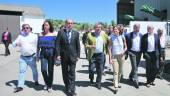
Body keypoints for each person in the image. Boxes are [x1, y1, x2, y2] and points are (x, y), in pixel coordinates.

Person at [56, 19, 80, 96]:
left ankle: (72, 89)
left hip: (73, 56)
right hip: (63, 56)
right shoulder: (60, 32)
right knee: (65, 72)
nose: (69, 24)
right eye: (68, 23)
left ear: (73, 24)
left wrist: (78, 55)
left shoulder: (76, 33)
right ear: (65, 24)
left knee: (72, 73)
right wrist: (58, 55)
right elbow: (57, 44)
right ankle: (67, 86)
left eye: (71, 23)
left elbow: (78, 45)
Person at [13, 24, 39, 93]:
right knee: (22, 71)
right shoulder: (20, 36)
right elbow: (13, 43)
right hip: (23, 58)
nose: (25, 29)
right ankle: (20, 86)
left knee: (34, 70)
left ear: (30, 29)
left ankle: (36, 80)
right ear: (23, 29)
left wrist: (38, 55)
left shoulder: (34, 36)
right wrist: (16, 44)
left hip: (32, 57)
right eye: (24, 28)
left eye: (27, 28)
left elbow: (38, 45)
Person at [85, 23, 108, 90]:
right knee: (91, 69)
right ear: (94, 28)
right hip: (93, 55)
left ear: (101, 28)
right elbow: (86, 45)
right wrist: (91, 46)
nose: (98, 28)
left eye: (99, 27)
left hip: (101, 55)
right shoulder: (89, 35)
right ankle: (91, 79)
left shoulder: (104, 35)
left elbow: (110, 41)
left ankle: (98, 83)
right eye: (97, 27)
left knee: (100, 70)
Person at [37, 21, 56, 92]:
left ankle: (49, 86)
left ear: (49, 26)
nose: (45, 26)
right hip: (43, 53)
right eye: (44, 25)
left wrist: (56, 55)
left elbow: (56, 46)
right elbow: (38, 46)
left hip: (51, 53)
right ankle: (47, 82)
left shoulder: (53, 34)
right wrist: (37, 55)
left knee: (50, 70)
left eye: (47, 25)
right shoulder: (40, 34)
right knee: (43, 69)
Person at [108, 25, 127, 94]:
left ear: (119, 30)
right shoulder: (111, 38)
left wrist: (123, 51)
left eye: (116, 29)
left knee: (120, 72)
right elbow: (109, 48)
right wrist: (110, 58)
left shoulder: (122, 37)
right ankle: (115, 86)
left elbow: (126, 47)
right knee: (115, 72)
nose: (115, 30)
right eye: (114, 29)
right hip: (114, 56)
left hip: (122, 57)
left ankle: (117, 83)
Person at [126, 24, 142, 89]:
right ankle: (136, 81)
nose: (137, 29)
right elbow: (125, 44)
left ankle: (130, 76)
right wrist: (127, 52)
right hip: (132, 53)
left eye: (138, 27)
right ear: (133, 28)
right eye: (136, 27)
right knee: (135, 68)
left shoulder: (141, 35)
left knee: (135, 66)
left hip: (139, 53)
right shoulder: (129, 35)